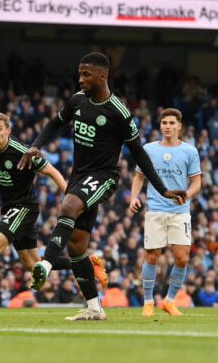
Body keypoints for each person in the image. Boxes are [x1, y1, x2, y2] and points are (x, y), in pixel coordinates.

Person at [18, 52, 187, 321]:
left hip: (104, 177)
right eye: (79, 74)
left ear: (102, 76)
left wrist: (162, 188)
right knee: (76, 246)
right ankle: (95, 307)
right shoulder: (76, 101)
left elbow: (139, 153)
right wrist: (36, 144)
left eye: (86, 74)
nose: (80, 79)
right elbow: (54, 123)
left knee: (69, 204)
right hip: (79, 176)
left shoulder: (119, 112)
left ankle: (46, 263)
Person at [0, 112, 107, 318]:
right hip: (11, 208)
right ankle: (89, 263)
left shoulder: (22, 152)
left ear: (8, 130)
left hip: (24, 208)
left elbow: (53, 172)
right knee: (33, 266)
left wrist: (73, 201)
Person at [130, 108, 201, 316]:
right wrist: (134, 197)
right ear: (160, 126)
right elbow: (138, 177)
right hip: (155, 209)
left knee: (182, 258)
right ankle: (149, 301)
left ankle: (170, 301)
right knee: (152, 257)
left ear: (179, 126)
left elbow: (197, 181)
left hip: (180, 211)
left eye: (171, 123)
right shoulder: (149, 149)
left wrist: (187, 194)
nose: (167, 126)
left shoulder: (190, 151)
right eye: (164, 123)